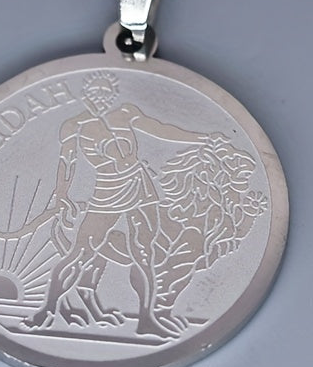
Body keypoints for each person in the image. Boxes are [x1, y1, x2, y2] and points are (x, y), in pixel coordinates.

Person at [22, 71, 207, 337]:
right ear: (86, 95)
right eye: (95, 92)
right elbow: (67, 163)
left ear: (112, 94)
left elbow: (161, 129)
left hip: (139, 187)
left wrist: (201, 139)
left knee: (143, 253)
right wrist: (62, 194)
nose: (100, 97)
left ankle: (146, 318)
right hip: (106, 191)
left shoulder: (126, 113)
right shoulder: (74, 125)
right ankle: (47, 309)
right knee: (80, 252)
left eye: (105, 92)